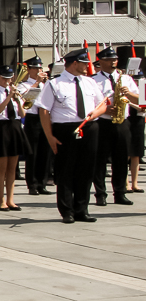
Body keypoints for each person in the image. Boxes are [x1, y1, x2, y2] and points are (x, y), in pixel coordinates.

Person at [35, 48, 109, 223]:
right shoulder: (55, 84)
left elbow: (103, 105)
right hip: (65, 130)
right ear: (75, 63)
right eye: (84, 63)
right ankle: (67, 210)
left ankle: (82, 209)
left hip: (88, 127)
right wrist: (50, 136)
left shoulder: (90, 82)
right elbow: (44, 111)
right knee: (66, 170)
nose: (87, 66)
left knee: (86, 170)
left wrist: (95, 114)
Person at [91, 46, 138, 206]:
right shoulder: (93, 80)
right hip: (102, 122)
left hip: (122, 122)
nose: (113, 62)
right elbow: (89, 103)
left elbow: (141, 99)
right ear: (101, 62)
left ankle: (120, 193)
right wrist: (105, 109)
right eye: (110, 60)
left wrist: (128, 94)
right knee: (100, 160)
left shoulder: (126, 78)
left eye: (115, 60)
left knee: (121, 159)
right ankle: (100, 194)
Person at [0, 66, 29, 211]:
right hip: (2, 129)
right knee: (2, 168)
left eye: (9, 78)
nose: (7, 81)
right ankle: (1, 200)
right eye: (4, 78)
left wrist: (18, 100)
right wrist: (9, 97)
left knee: (13, 167)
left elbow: (23, 114)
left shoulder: (14, 93)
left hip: (15, 128)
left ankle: (11, 200)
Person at [17, 57, 51, 195]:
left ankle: (42, 183)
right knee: (33, 153)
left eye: (40, 68)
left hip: (46, 118)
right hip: (32, 119)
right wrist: (37, 83)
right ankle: (32, 184)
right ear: (29, 70)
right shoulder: (23, 85)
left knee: (45, 153)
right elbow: (26, 99)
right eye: (35, 68)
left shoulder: (47, 84)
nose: (39, 71)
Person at [128, 69, 145, 194]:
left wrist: (128, 101)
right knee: (124, 152)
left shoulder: (143, 89)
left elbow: (142, 108)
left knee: (136, 153)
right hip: (126, 119)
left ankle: (135, 183)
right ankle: (125, 183)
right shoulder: (125, 87)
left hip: (138, 120)